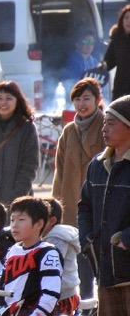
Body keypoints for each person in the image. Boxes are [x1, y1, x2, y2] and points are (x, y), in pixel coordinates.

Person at [78, 95, 130, 316]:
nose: (104, 127)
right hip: (105, 267)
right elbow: (84, 206)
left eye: (111, 122)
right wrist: (87, 238)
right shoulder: (98, 164)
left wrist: (126, 238)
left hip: (128, 264)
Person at [52, 77, 104, 300]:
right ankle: (85, 300)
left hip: (101, 198)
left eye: (87, 98)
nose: (82, 104)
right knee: (79, 251)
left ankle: (102, 301)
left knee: (102, 253)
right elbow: (59, 169)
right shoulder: (68, 131)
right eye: (77, 99)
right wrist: (57, 204)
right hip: (72, 199)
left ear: (98, 99)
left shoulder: (107, 125)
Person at [44, 198, 81, 316]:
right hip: (57, 293)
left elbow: (52, 265)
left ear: (52, 220)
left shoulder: (57, 239)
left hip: (63, 294)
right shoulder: (47, 236)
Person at [102, 5, 130, 101]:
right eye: (126, 18)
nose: (129, 21)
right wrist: (102, 66)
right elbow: (109, 61)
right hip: (120, 87)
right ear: (121, 20)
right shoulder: (116, 39)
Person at [63, 32, 100, 102]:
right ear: (77, 44)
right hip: (77, 96)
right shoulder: (72, 60)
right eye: (85, 41)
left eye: (92, 42)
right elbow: (72, 81)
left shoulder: (94, 61)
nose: (89, 45)